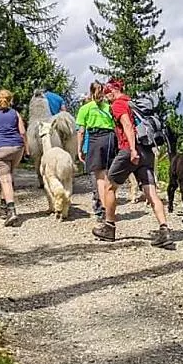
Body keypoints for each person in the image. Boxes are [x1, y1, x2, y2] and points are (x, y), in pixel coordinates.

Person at [92, 78, 173, 247]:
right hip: (147, 152)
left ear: (113, 91)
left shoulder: (118, 105)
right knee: (151, 193)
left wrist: (133, 150)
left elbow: (128, 126)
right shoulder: (132, 103)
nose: (106, 97)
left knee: (109, 186)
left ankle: (109, 227)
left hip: (130, 151)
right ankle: (164, 230)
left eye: (107, 94)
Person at [0, 88, 27, 227]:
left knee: (5, 179)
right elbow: (23, 132)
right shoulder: (15, 113)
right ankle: (3, 207)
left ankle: (12, 211)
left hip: (0, 149)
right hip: (17, 148)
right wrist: (27, 149)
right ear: (10, 100)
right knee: (8, 176)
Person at [75, 81, 117, 222]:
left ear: (90, 92)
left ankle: (104, 210)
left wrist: (79, 149)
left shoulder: (85, 108)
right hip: (110, 139)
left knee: (100, 178)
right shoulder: (109, 107)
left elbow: (81, 132)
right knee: (108, 177)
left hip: (95, 139)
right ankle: (111, 209)